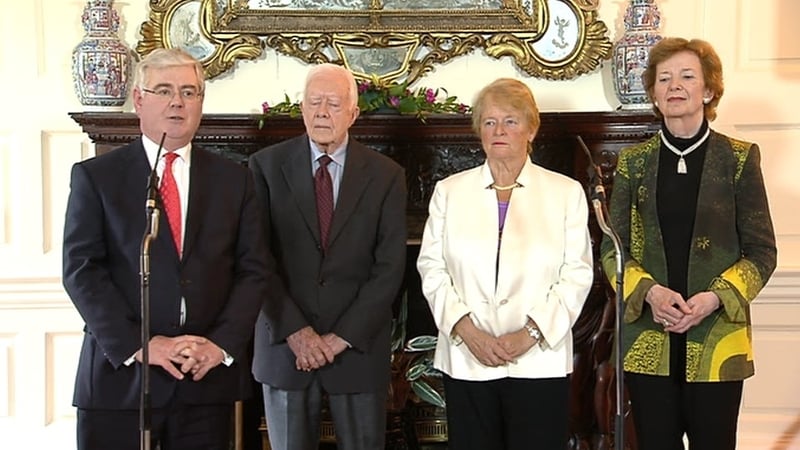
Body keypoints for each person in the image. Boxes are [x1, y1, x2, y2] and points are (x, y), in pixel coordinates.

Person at [62, 48, 268, 450]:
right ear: (139, 99)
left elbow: (254, 270)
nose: (178, 102)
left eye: (190, 92)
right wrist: (140, 345)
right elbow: (81, 269)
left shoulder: (234, 180)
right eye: (165, 90)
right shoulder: (97, 177)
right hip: (120, 381)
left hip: (203, 380)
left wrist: (220, 345)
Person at [601, 37, 777, 450]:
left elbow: (763, 252)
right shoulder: (632, 163)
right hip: (649, 335)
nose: (674, 85)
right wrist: (651, 294)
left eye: (686, 76)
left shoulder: (739, 158)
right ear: (654, 94)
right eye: (664, 78)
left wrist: (714, 299)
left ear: (709, 89)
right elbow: (613, 249)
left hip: (717, 339)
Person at [416, 78, 594, 449]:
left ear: (531, 129)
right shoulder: (449, 192)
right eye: (489, 121)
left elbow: (576, 274)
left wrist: (529, 335)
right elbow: (432, 269)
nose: (499, 131)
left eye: (510, 121)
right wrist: (468, 332)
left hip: (538, 361)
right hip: (468, 357)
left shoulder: (565, 193)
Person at [249, 63, 407, 450]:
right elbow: (256, 258)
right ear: (301, 108)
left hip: (356, 350)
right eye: (314, 102)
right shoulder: (265, 167)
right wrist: (298, 333)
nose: (322, 112)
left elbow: (389, 268)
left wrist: (339, 339)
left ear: (353, 113)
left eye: (334, 104)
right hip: (286, 348)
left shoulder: (386, 175)